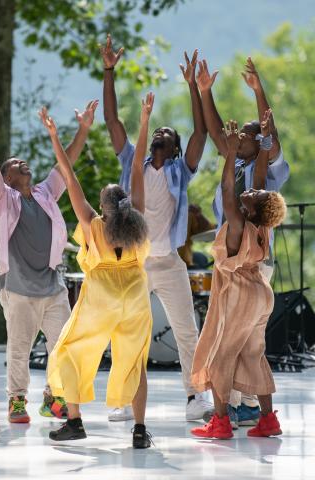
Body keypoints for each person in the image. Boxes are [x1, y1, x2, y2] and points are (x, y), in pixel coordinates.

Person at [101, 34, 213, 422]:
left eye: (168, 133)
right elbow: (112, 120)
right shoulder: (134, 159)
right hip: (134, 262)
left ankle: (196, 396)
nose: (160, 133)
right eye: (157, 131)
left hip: (167, 263)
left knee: (187, 331)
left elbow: (201, 135)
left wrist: (194, 90)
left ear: (176, 148)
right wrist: (109, 71)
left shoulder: (181, 171)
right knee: (126, 330)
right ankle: (122, 398)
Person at [42, 94, 153, 448]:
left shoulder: (94, 224)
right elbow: (137, 167)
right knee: (135, 361)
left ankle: (74, 421)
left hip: (101, 293)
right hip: (135, 293)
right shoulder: (137, 223)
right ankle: (138, 429)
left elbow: (69, 177)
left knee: (70, 350)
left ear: (104, 207)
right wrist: (144, 119)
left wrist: (56, 137)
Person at [0, 92, 98, 423]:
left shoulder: (46, 193)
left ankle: (53, 397)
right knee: (18, 350)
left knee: (62, 345)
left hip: (51, 286)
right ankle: (16, 401)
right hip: (17, 288)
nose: (23, 164)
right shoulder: (3, 200)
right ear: (7, 178)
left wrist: (83, 129)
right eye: (16, 164)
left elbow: (66, 163)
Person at [197, 57, 289, 427]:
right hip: (244, 263)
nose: (239, 138)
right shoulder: (240, 168)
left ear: (259, 141)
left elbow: (269, 137)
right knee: (251, 348)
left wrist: (258, 91)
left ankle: (226, 413)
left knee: (225, 342)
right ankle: (257, 410)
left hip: (243, 265)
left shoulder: (261, 178)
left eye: (249, 135)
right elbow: (219, 133)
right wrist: (205, 92)